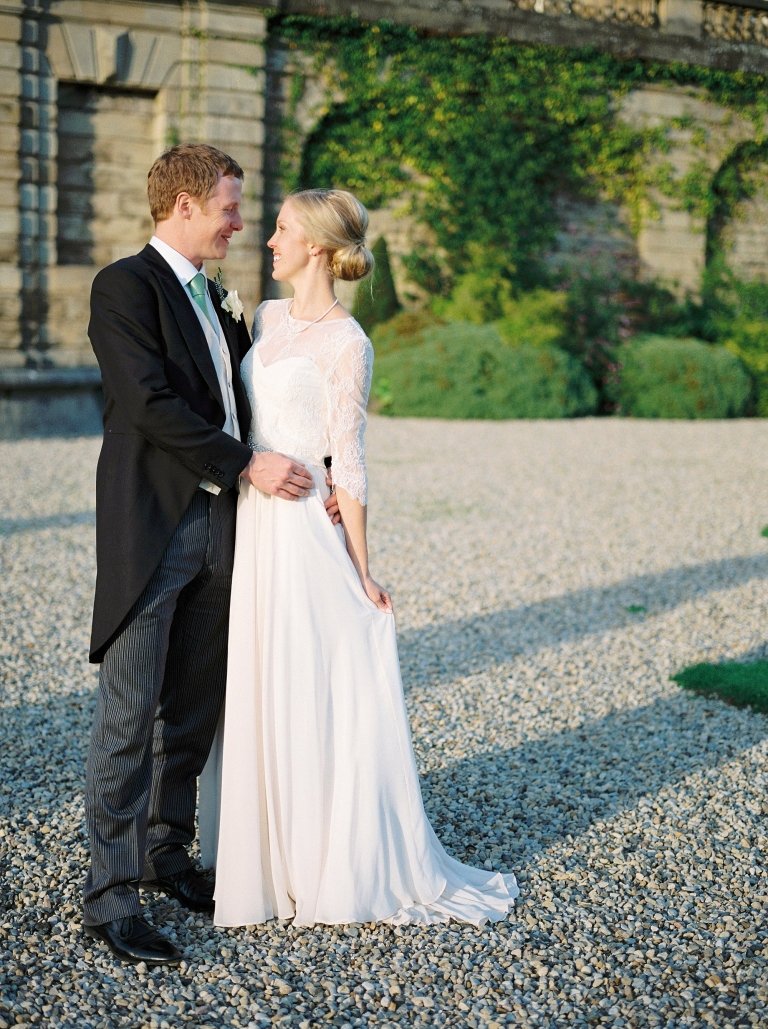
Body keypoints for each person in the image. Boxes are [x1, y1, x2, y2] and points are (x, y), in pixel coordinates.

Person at [201, 188, 518, 926]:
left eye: (279, 229)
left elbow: (351, 458)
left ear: (314, 244)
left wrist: (361, 563)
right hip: (253, 517)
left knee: (311, 681)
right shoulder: (268, 318)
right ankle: (262, 857)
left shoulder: (350, 343)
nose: (267, 239)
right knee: (259, 676)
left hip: (306, 528)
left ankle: (320, 857)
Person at [82, 144, 320, 965]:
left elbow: (249, 407)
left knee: (192, 704)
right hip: (155, 526)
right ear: (183, 205)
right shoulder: (123, 287)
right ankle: (110, 896)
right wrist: (243, 463)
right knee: (127, 714)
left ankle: (165, 850)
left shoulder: (222, 303)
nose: (239, 221)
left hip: (229, 530)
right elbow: (146, 403)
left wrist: (314, 473)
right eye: (228, 205)